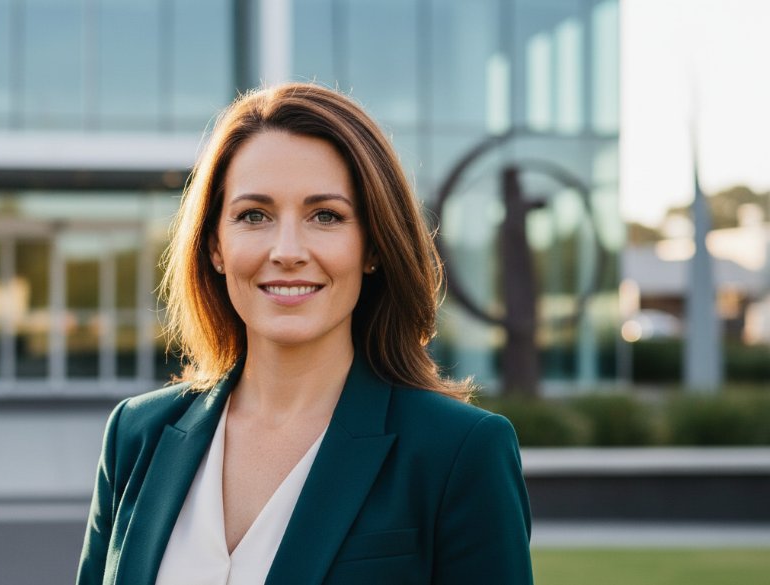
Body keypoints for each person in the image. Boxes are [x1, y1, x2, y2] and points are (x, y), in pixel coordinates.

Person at [76, 83, 533, 585]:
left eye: (326, 216)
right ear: (216, 247)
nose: (288, 250)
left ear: (373, 246)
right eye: (254, 216)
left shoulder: (459, 452)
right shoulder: (135, 435)